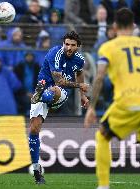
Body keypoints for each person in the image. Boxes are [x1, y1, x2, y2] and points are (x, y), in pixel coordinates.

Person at [84, 8, 140, 189]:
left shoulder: (108, 47)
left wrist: (91, 107)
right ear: (134, 26)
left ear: (114, 26)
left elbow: (99, 77)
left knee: (103, 136)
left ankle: (104, 186)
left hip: (128, 102)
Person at [29, 31, 89, 184]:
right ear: (63, 43)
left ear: (78, 47)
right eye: (67, 44)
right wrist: (79, 86)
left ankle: (41, 94)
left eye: (72, 45)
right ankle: (37, 171)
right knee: (34, 130)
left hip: (60, 93)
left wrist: (82, 95)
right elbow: (59, 80)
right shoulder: (55, 53)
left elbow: (79, 73)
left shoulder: (79, 59)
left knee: (54, 90)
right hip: (49, 87)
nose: (69, 47)